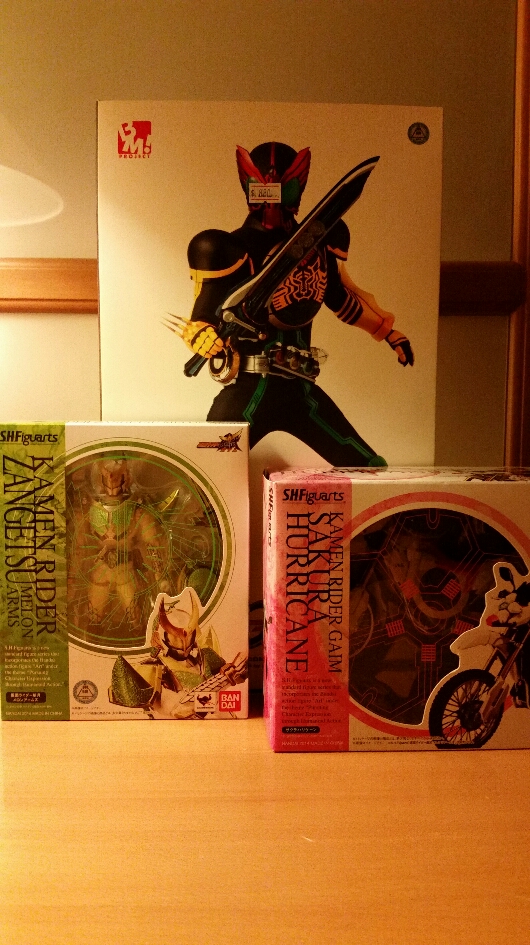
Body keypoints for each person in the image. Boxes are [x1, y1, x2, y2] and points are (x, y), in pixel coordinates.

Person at [172, 141, 414, 466]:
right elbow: (204, 311)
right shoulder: (228, 248)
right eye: (263, 189)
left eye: (281, 189)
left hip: (301, 389)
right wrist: (201, 334)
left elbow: (340, 299)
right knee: (209, 472)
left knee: (368, 467)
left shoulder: (320, 241)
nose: (271, 199)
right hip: (249, 389)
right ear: (249, 186)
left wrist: (387, 331)